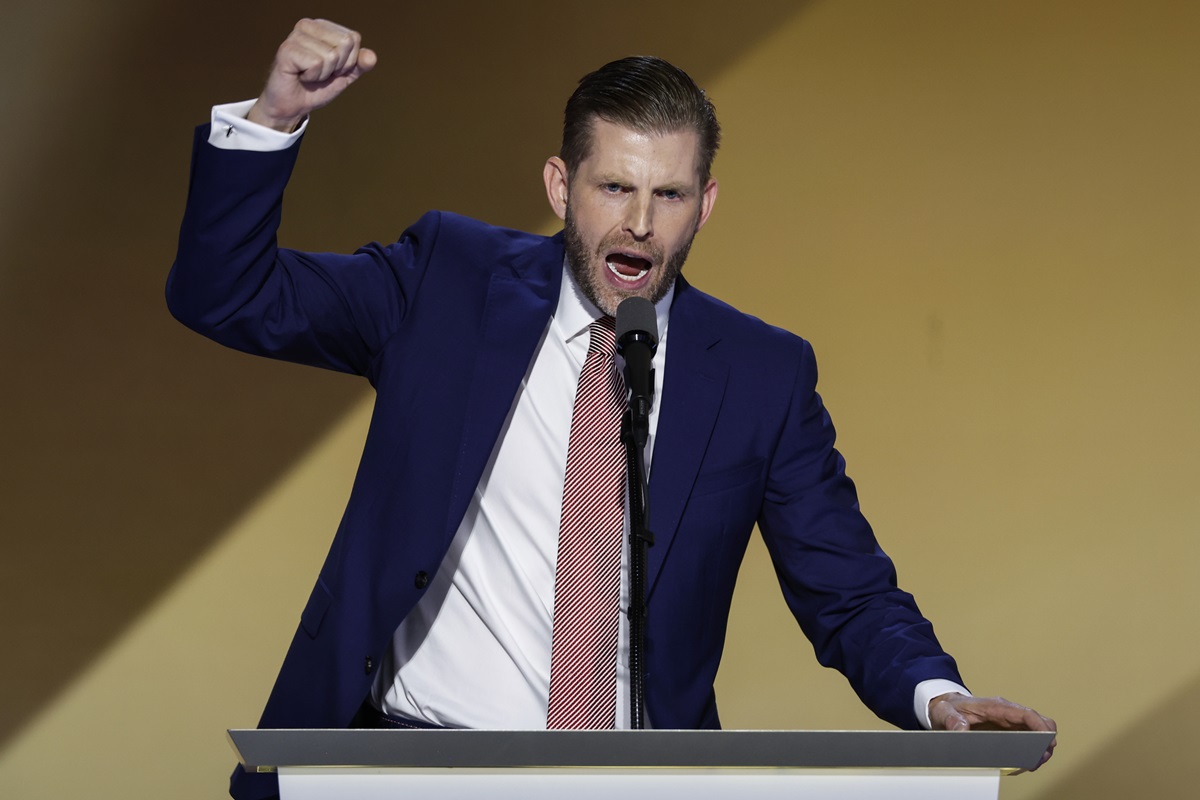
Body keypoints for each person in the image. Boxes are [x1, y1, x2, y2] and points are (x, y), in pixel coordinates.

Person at [167, 18, 1056, 800]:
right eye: (613, 188)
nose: (638, 223)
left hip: (633, 785)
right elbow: (227, 294)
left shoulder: (760, 374)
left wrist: (937, 698)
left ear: (703, 205)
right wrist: (275, 119)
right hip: (405, 768)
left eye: (668, 195)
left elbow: (849, 592)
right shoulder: (447, 281)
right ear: (561, 187)